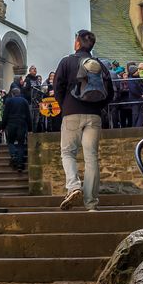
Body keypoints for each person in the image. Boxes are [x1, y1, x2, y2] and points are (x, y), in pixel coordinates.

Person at [53, 29, 114, 211]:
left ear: (77, 43)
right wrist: (97, 107)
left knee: (68, 153)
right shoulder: (101, 66)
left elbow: (57, 86)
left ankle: (73, 186)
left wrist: (65, 105)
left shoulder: (66, 61)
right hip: (94, 115)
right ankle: (91, 204)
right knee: (91, 158)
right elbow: (110, 93)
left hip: (71, 112)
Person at [2, 85, 31, 170]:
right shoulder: (24, 101)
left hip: (11, 124)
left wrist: (2, 126)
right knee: (21, 144)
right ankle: (20, 164)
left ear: (12, 94)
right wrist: (30, 128)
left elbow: (5, 115)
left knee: (10, 141)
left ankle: (13, 155)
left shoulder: (9, 101)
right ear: (19, 93)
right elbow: (28, 116)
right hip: (22, 124)